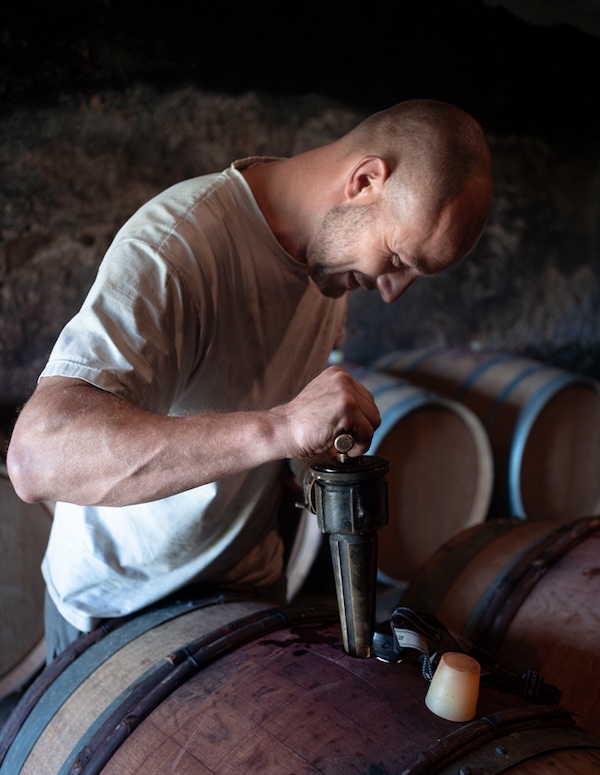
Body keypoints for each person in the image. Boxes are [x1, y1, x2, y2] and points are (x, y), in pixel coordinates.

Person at [7, 98, 493, 660]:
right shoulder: (178, 247)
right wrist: (281, 428)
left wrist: (307, 462)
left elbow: (257, 416)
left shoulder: (330, 267)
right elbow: (37, 457)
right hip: (122, 607)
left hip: (243, 595)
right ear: (365, 181)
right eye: (399, 258)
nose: (393, 291)